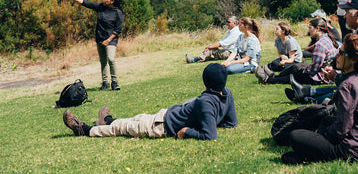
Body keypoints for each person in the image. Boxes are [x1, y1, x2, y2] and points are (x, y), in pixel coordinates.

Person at [280, 34, 358, 165]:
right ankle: (312, 151)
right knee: (326, 119)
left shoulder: (348, 85)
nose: (336, 56)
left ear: (353, 59)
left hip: (356, 149)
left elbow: (342, 128)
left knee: (296, 136)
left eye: (341, 53)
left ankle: (312, 155)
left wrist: (325, 135)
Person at [62, 63, 238, 140]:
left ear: (205, 81)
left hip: (162, 125)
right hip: (165, 115)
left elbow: (210, 136)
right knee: (135, 119)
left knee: (124, 128)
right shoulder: (227, 93)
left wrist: (187, 131)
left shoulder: (206, 102)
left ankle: (84, 130)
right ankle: (106, 120)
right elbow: (231, 122)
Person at [61, 0, 124, 91]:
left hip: (111, 39)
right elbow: (86, 3)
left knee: (111, 59)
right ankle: (105, 83)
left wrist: (108, 40)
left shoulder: (117, 12)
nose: (103, 0)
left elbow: (118, 29)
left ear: (112, 1)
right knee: (103, 62)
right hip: (100, 38)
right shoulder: (100, 7)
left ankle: (114, 82)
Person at [255, 17, 338, 85]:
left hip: (320, 77)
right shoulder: (327, 39)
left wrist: (305, 70)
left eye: (310, 28)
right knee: (297, 67)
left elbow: (314, 69)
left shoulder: (320, 45)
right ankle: (272, 77)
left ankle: (268, 80)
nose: (309, 31)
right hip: (325, 74)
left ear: (317, 29)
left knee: (293, 75)